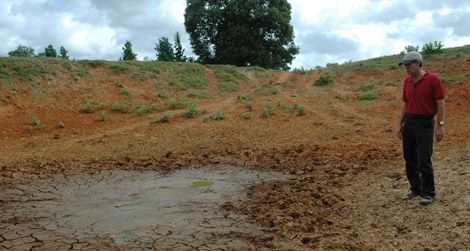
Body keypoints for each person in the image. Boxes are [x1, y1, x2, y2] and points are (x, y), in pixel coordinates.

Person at [397, 51, 445, 206]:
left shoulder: (433, 80)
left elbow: (440, 103)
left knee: (424, 158)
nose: (406, 67)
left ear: (418, 62)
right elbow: (406, 103)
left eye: (409, 64)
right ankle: (415, 189)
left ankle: (428, 193)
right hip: (410, 122)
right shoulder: (407, 82)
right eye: (405, 65)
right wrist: (400, 124)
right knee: (409, 157)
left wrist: (440, 125)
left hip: (425, 123)